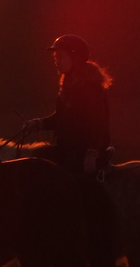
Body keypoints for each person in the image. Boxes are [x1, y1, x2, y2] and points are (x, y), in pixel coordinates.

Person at [23, 34, 111, 178]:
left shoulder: (91, 88)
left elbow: (98, 124)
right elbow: (61, 118)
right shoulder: (68, 85)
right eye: (56, 58)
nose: (57, 62)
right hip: (66, 149)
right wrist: (39, 123)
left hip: (82, 153)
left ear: (76, 58)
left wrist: (92, 154)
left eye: (61, 57)